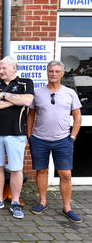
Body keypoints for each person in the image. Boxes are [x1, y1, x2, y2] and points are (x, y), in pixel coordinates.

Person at [27, 60, 83, 223]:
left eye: (57, 71)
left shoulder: (70, 93)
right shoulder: (37, 93)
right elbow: (31, 114)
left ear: (62, 74)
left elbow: (77, 116)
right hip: (39, 139)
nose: (53, 74)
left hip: (62, 140)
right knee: (42, 171)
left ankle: (67, 207)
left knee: (65, 174)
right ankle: (42, 202)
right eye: (51, 71)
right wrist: (29, 135)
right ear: (47, 72)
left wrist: (72, 136)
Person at [0, 56, 34, 219]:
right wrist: (14, 100)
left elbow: (27, 100)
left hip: (16, 132)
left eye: (4, 68)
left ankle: (15, 201)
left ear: (14, 68)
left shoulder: (25, 83)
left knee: (16, 168)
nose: (0, 71)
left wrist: (3, 95)